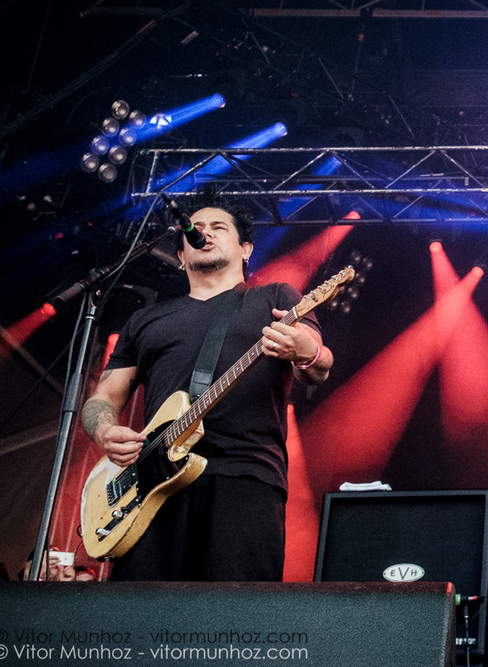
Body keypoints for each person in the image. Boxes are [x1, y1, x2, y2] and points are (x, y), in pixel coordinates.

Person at [81, 191, 333, 582]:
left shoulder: (276, 297)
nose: (205, 233)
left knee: (235, 620)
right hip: (150, 484)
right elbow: (104, 397)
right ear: (181, 255)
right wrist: (104, 430)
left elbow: (319, 367)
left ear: (245, 249)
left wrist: (304, 350)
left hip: (244, 476)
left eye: (219, 227)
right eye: (195, 230)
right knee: (139, 619)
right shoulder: (146, 320)